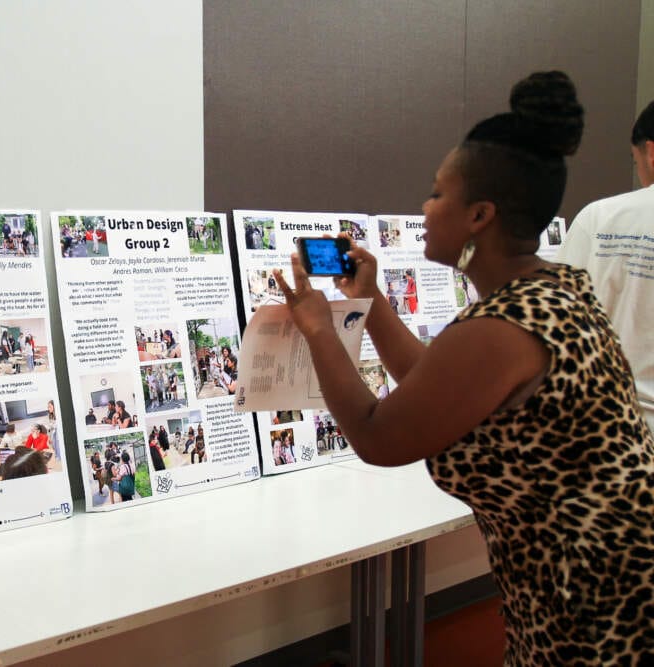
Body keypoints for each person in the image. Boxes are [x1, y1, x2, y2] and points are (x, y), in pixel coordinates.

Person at [274, 71, 653, 664]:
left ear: (479, 215)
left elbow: (379, 434)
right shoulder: (550, 289)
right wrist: (368, 304)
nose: (424, 209)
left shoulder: (501, 329)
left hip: (600, 610)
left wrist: (321, 329)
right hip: (594, 579)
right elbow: (439, 382)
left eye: (436, 194)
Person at [557, 99, 654, 432]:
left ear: (651, 153)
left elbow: (553, 324)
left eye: (636, 159)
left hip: (607, 434)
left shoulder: (600, 218)